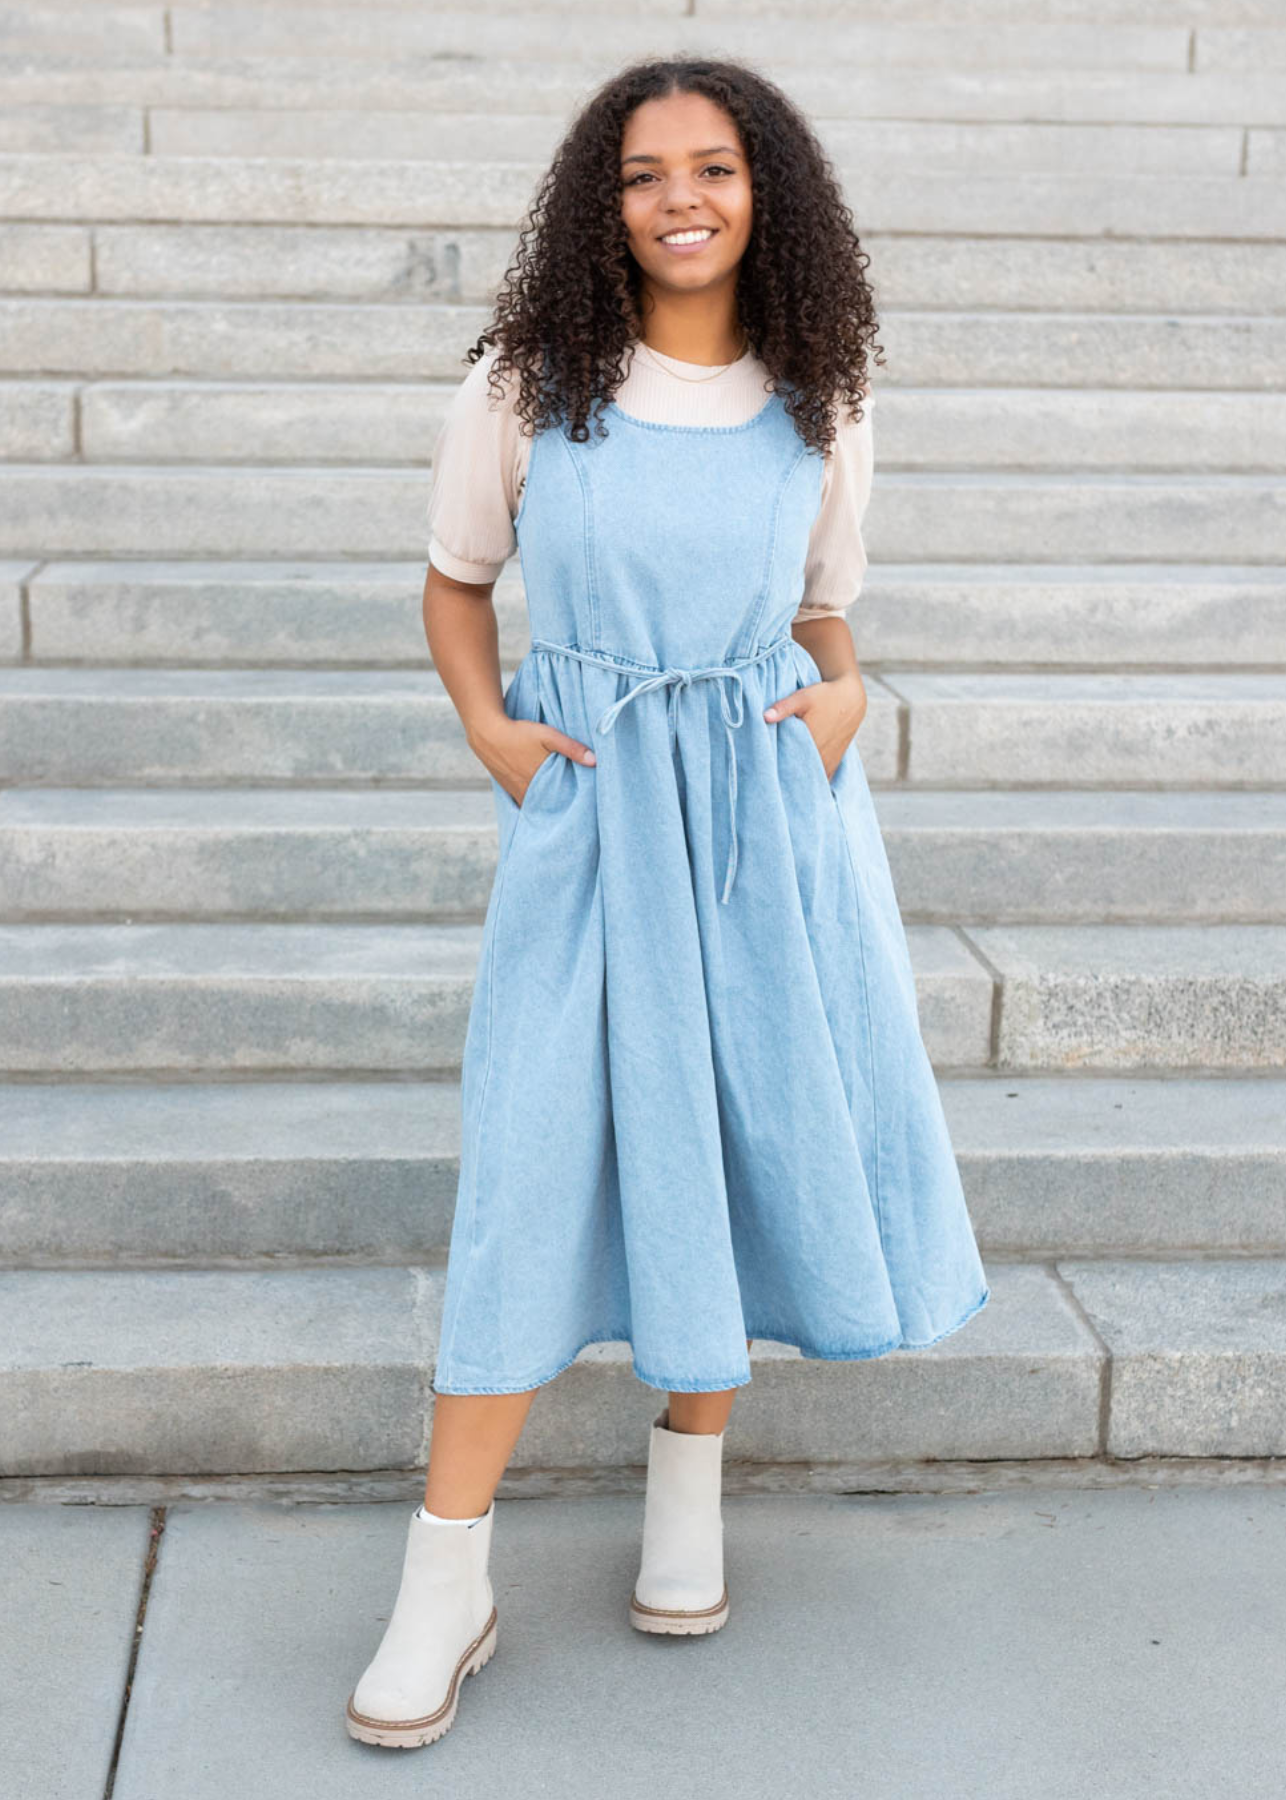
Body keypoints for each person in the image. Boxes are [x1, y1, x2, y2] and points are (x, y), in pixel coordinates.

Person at [345, 56, 989, 1750]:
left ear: (766, 188)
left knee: (736, 1124)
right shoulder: (527, 379)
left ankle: (686, 1496)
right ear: (601, 200)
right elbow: (454, 579)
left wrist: (845, 698)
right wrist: (491, 732)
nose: (678, 198)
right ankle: (444, 1577)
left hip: (768, 812)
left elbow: (824, 608)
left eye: (712, 166)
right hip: (596, 807)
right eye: (642, 173)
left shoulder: (820, 387)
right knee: (531, 1165)